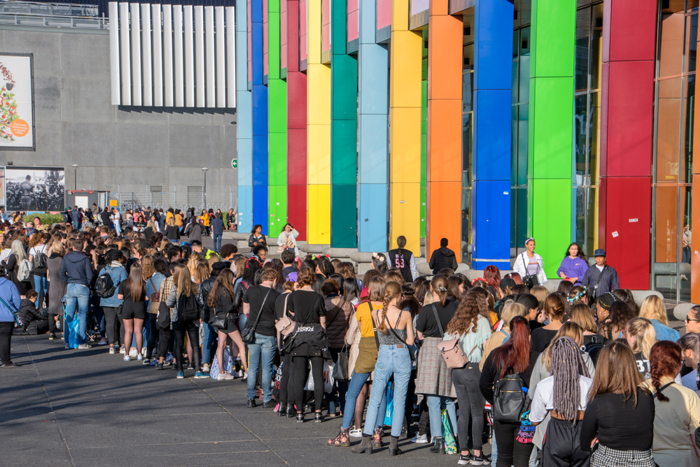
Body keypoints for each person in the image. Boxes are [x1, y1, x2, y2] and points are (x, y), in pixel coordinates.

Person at [352, 282, 414, 456]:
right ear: (399, 296)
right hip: (401, 355)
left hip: (384, 356)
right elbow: (410, 341)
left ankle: (366, 440)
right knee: (399, 400)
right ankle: (393, 444)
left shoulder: (375, 313)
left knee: (375, 399)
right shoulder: (405, 314)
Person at [327, 276, 386, 446]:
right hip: (382, 352)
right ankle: (377, 432)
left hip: (365, 351)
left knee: (353, 392)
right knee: (379, 393)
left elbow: (359, 330)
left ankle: (344, 432)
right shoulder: (386, 308)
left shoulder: (362, 307)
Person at [580, 341, 656, 467]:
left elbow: (585, 443)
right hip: (644, 461)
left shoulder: (598, 402)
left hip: (607, 460)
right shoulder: (646, 396)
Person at [479, 316, 534, 467]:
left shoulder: (497, 355)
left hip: (502, 411)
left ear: (510, 331)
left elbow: (483, 383)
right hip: (527, 415)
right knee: (522, 459)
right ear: (529, 332)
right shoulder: (534, 356)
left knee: (503, 457)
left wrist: (495, 400)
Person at [530, 336, 592, 467]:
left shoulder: (544, 385)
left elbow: (535, 420)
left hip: (557, 432)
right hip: (583, 431)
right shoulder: (590, 383)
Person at [445, 291, 492, 465]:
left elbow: (446, 341)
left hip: (457, 369)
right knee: (477, 412)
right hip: (474, 368)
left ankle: (464, 452)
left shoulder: (456, 320)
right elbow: (487, 348)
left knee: (463, 412)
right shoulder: (482, 322)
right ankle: (478, 453)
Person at [415, 275, 459, 454]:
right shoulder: (456, 307)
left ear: (431, 289)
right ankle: (454, 436)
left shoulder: (426, 310)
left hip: (431, 350)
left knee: (432, 397)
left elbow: (419, 336)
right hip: (450, 348)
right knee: (448, 396)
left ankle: (438, 439)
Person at [643, 341, 700, 467]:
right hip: (684, 461)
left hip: (649, 460)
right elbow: (697, 438)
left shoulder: (639, 392)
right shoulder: (689, 395)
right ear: (677, 366)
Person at [287, 267, 331, 423]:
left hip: (299, 339)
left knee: (299, 376)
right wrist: (322, 332)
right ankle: (318, 411)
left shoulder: (294, 295)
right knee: (318, 375)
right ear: (313, 279)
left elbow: (291, 314)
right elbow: (322, 320)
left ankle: (299, 411)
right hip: (316, 338)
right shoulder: (318, 297)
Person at [242, 268, 280, 407]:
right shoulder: (276, 295)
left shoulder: (250, 290)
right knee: (266, 367)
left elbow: (246, 310)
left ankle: (251, 398)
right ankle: (266, 398)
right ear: (274, 279)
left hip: (253, 331)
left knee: (252, 367)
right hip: (269, 333)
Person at [165, 264, 207, 379]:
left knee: (178, 343)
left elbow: (168, 303)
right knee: (194, 343)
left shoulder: (176, 287)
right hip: (193, 318)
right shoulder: (196, 287)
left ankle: (180, 370)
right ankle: (198, 369)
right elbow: (201, 303)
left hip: (178, 318)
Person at [209, 269, 248, 381]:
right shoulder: (225, 290)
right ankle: (246, 370)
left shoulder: (216, 289)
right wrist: (237, 304)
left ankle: (221, 372)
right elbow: (229, 307)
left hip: (220, 320)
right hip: (228, 320)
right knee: (241, 344)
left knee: (221, 345)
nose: (233, 279)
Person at [59, 238, 94, 349]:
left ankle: (68, 341)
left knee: (69, 314)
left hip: (71, 285)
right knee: (83, 314)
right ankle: (82, 342)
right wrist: (86, 283)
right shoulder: (85, 258)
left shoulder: (67, 257)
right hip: (82, 286)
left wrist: (68, 280)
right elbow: (90, 275)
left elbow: (61, 273)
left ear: (73, 247)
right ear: (82, 247)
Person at [98, 249, 128, 355]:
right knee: (122, 322)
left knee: (110, 323)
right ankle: (123, 345)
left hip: (105, 299)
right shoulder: (121, 270)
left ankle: (111, 345)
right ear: (119, 258)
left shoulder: (104, 269)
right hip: (119, 300)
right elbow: (125, 284)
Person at [117, 264, 148, 362]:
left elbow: (120, 297)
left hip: (127, 307)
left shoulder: (124, 283)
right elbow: (147, 297)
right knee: (138, 331)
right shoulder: (143, 283)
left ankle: (127, 354)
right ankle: (139, 353)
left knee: (128, 331)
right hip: (139, 306)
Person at [143, 257, 167, 364]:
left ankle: (148, 356)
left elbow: (148, 294)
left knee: (152, 334)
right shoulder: (166, 279)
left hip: (152, 308)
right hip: (163, 308)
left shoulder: (149, 280)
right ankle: (160, 356)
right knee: (162, 334)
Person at [0, 269, 21, 367]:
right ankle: (6, 361)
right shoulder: (10, 284)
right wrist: (15, 309)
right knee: (5, 338)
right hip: (7, 316)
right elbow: (17, 301)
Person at [46, 239, 67, 340]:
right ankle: (63, 332)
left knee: (52, 309)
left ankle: (51, 332)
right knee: (62, 309)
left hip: (52, 286)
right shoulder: (61, 260)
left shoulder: (49, 260)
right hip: (61, 285)